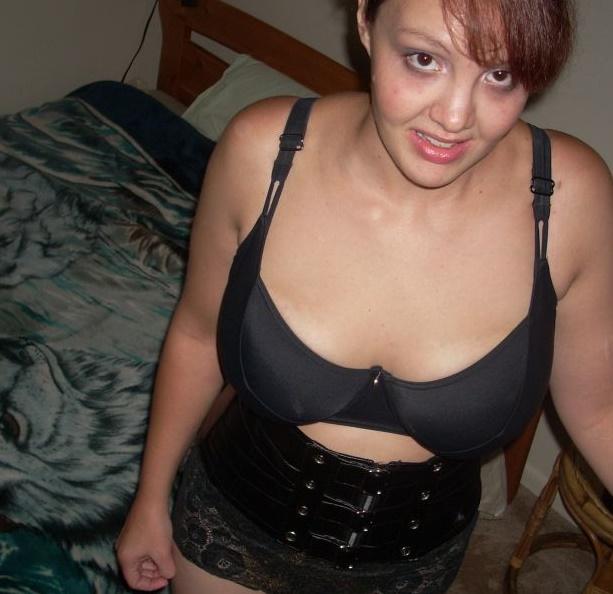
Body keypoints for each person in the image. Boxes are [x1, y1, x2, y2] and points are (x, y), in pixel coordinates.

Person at [117, 0, 613, 592]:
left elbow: (599, 412)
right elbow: (198, 336)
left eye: (499, 75)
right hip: (229, 534)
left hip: (412, 568)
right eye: (424, 59)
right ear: (365, 23)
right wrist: (150, 499)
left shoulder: (568, 200)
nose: (455, 117)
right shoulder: (263, 152)